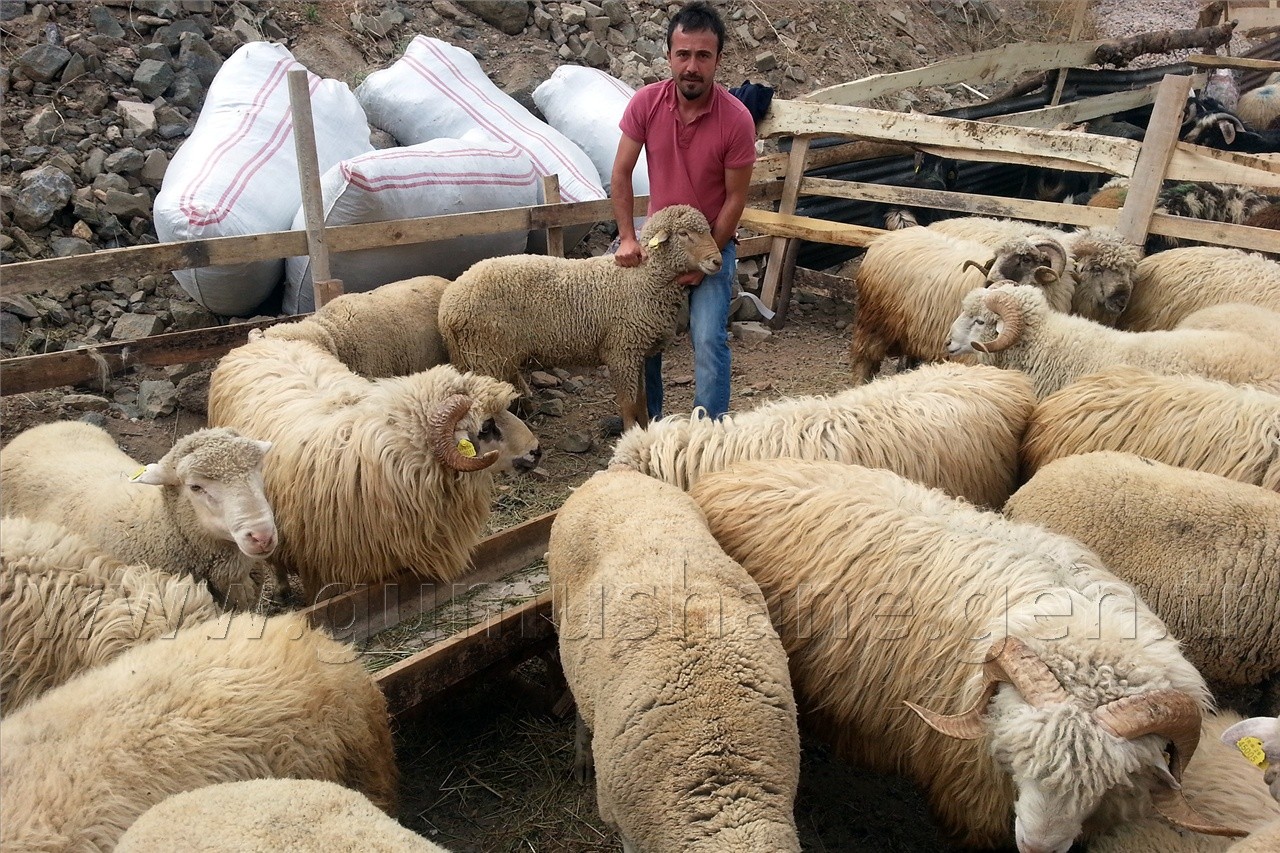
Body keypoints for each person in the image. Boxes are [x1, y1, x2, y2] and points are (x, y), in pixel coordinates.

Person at [611, 0, 757, 423]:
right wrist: (627, 237)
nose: (692, 66)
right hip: (659, 244)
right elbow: (620, 173)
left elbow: (735, 199)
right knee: (638, 332)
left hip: (712, 241)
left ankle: (708, 429)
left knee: (708, 336)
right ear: (669, 56)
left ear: (718, 60)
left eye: (703, 56)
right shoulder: (646, 103)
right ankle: (647, 422)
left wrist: (705, 258)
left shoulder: (737, 120)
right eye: (683, 54)